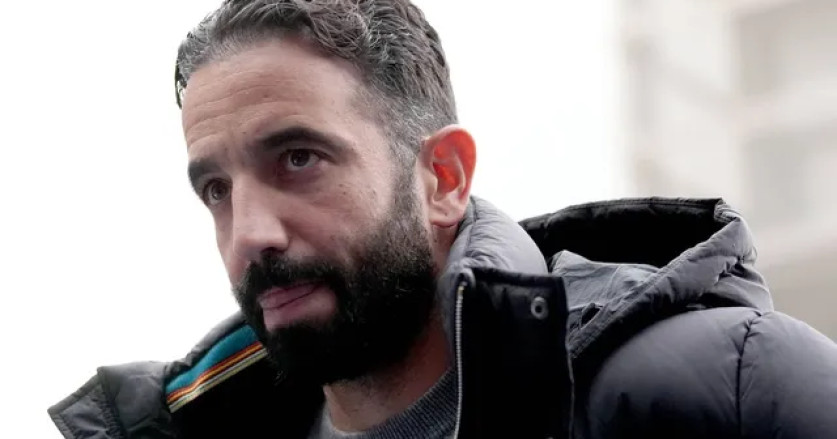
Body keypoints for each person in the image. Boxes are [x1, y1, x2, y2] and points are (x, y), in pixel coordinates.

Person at [49, 1, 837, 438]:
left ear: (443, 177)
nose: (251, 232)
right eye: (217, 189)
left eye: (297, 158)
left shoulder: (732, 387)